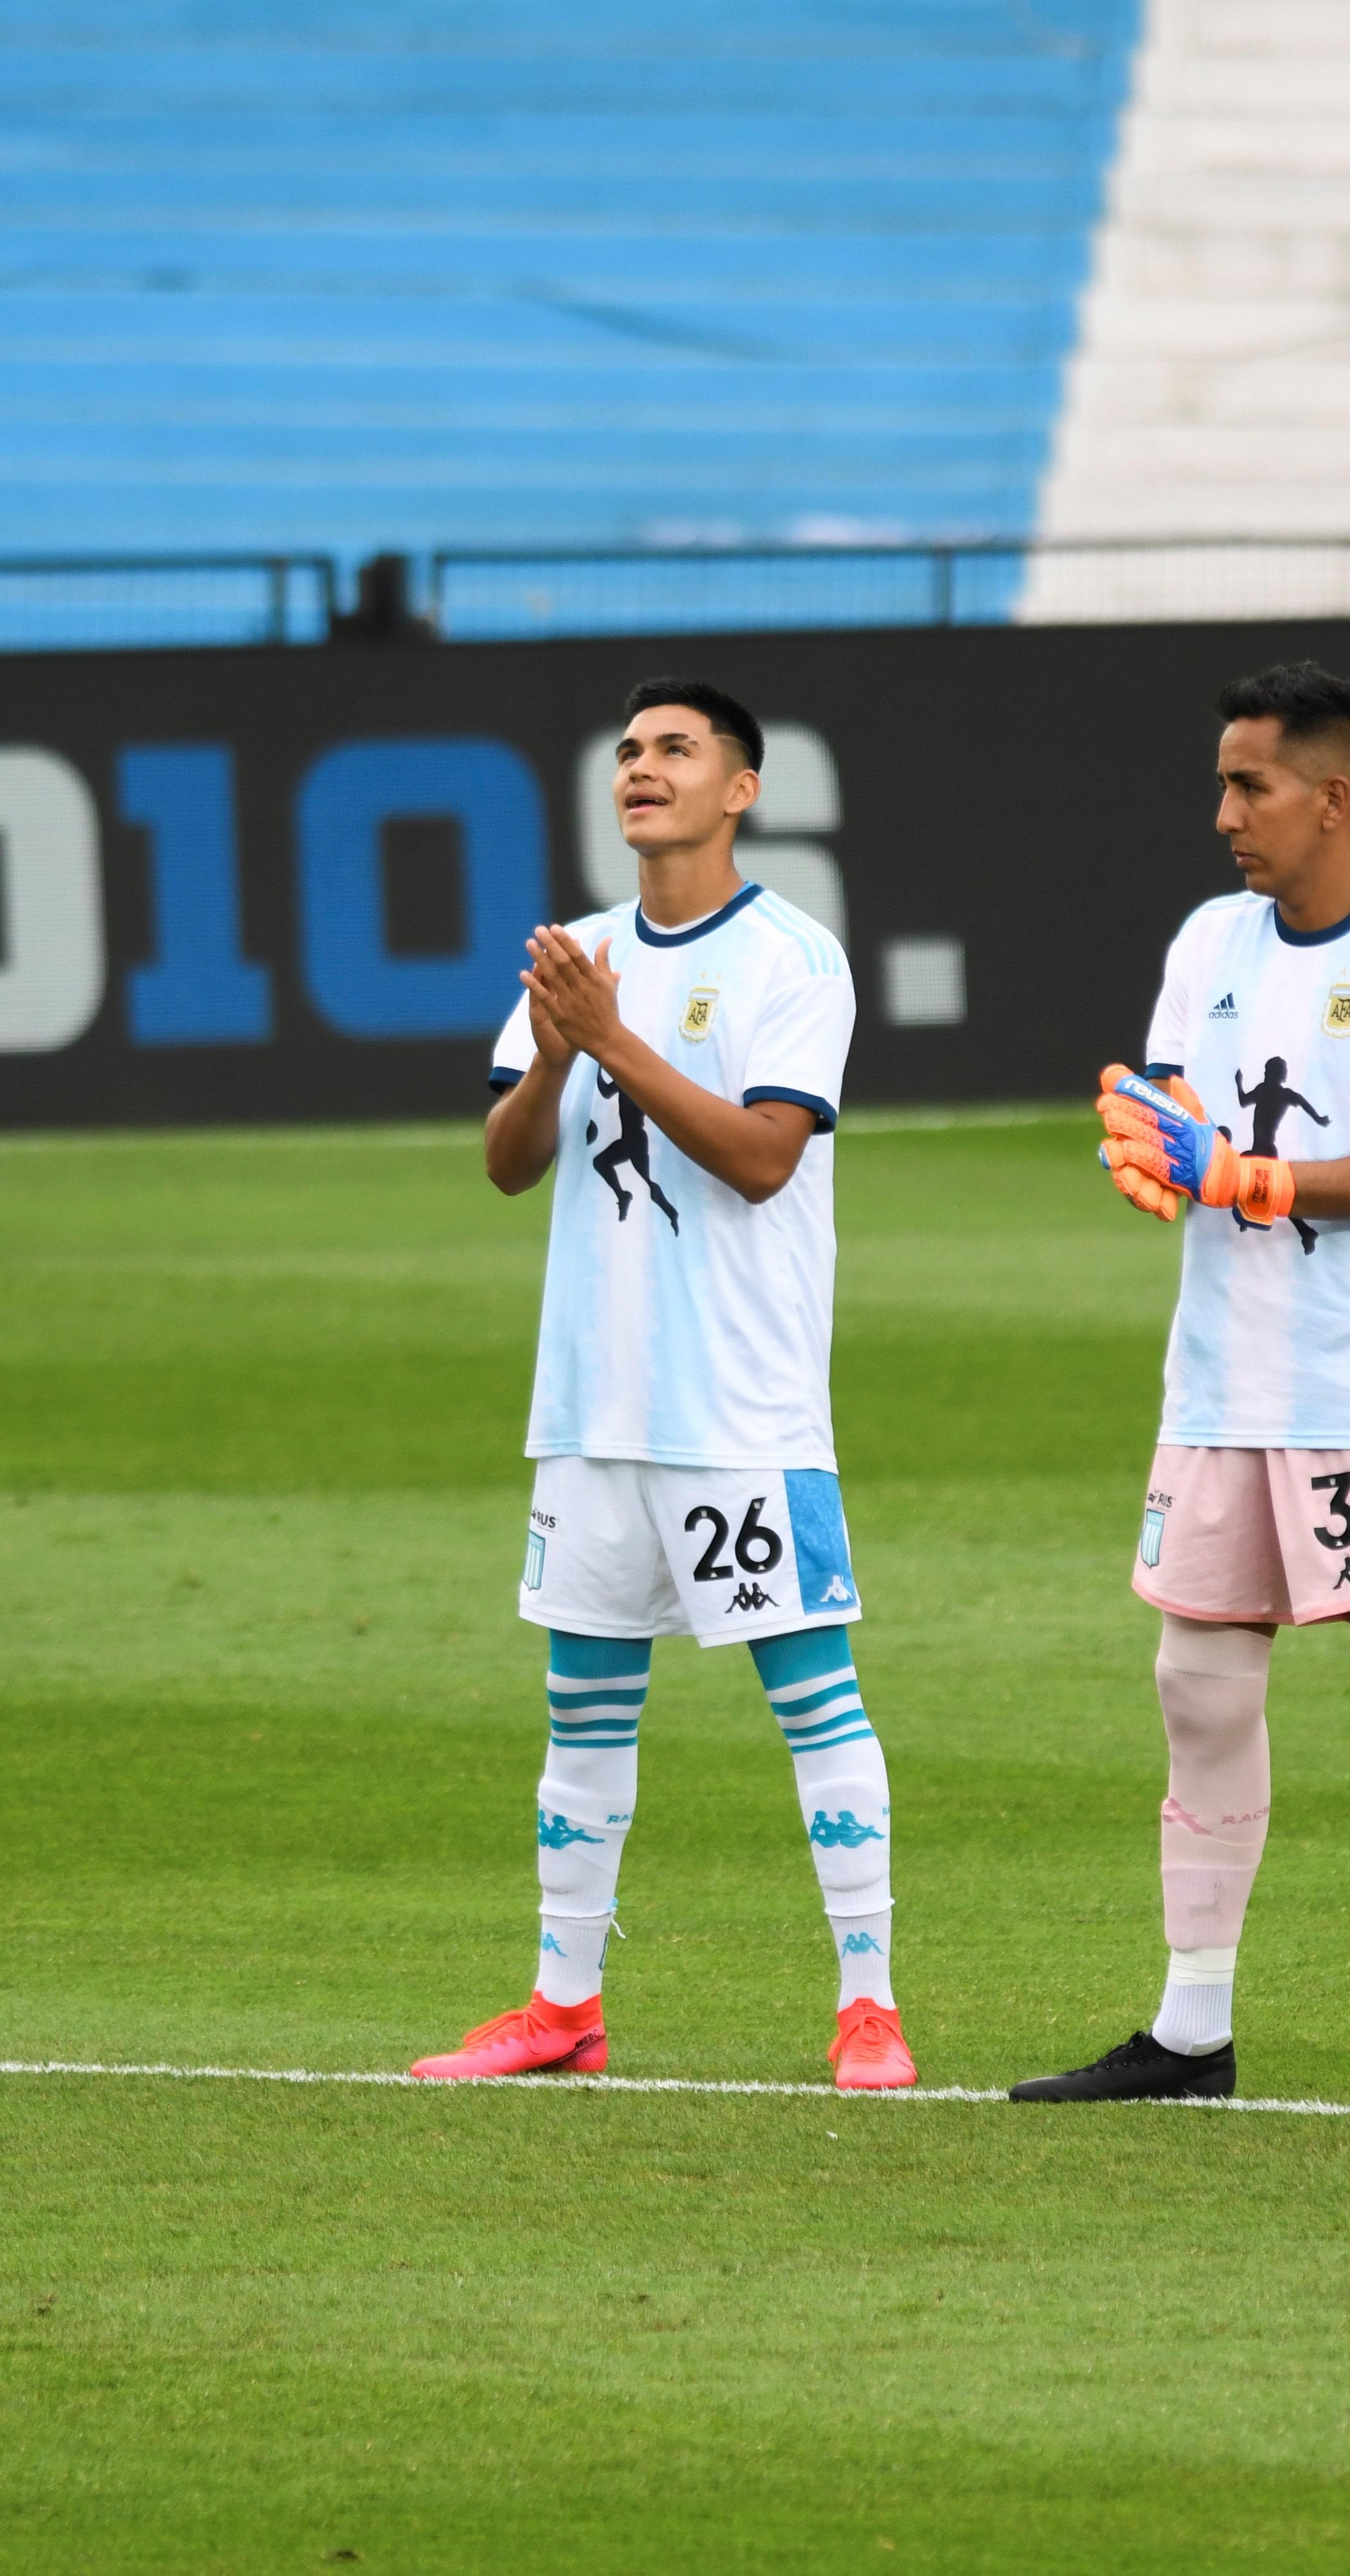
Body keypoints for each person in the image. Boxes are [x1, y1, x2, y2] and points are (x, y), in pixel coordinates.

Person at [1015, 660, 1350, 2120]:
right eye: (1219, 781)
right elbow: (1174, 1114)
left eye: (1248, 784)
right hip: (1218, 1376)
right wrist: (1146, 1147)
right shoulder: (1207, 939)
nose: (1221, 814)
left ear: (1332, 795)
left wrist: (1248, 1175)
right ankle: (1189, 2027)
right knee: (1194, 1682)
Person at [413, 677, 913, 2092]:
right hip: (590, 1401)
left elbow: (762, 1157)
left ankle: (866, 2005)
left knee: (811, 1693)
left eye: (673, 750)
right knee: (581, 1706)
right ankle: (561, 2006)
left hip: (738, 1402)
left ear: (739, 787)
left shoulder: (792, 959)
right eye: (627, 751)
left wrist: (612, 1038)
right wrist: (556, 1046)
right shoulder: (572, 951)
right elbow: (511, 1161)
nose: (639, 770)